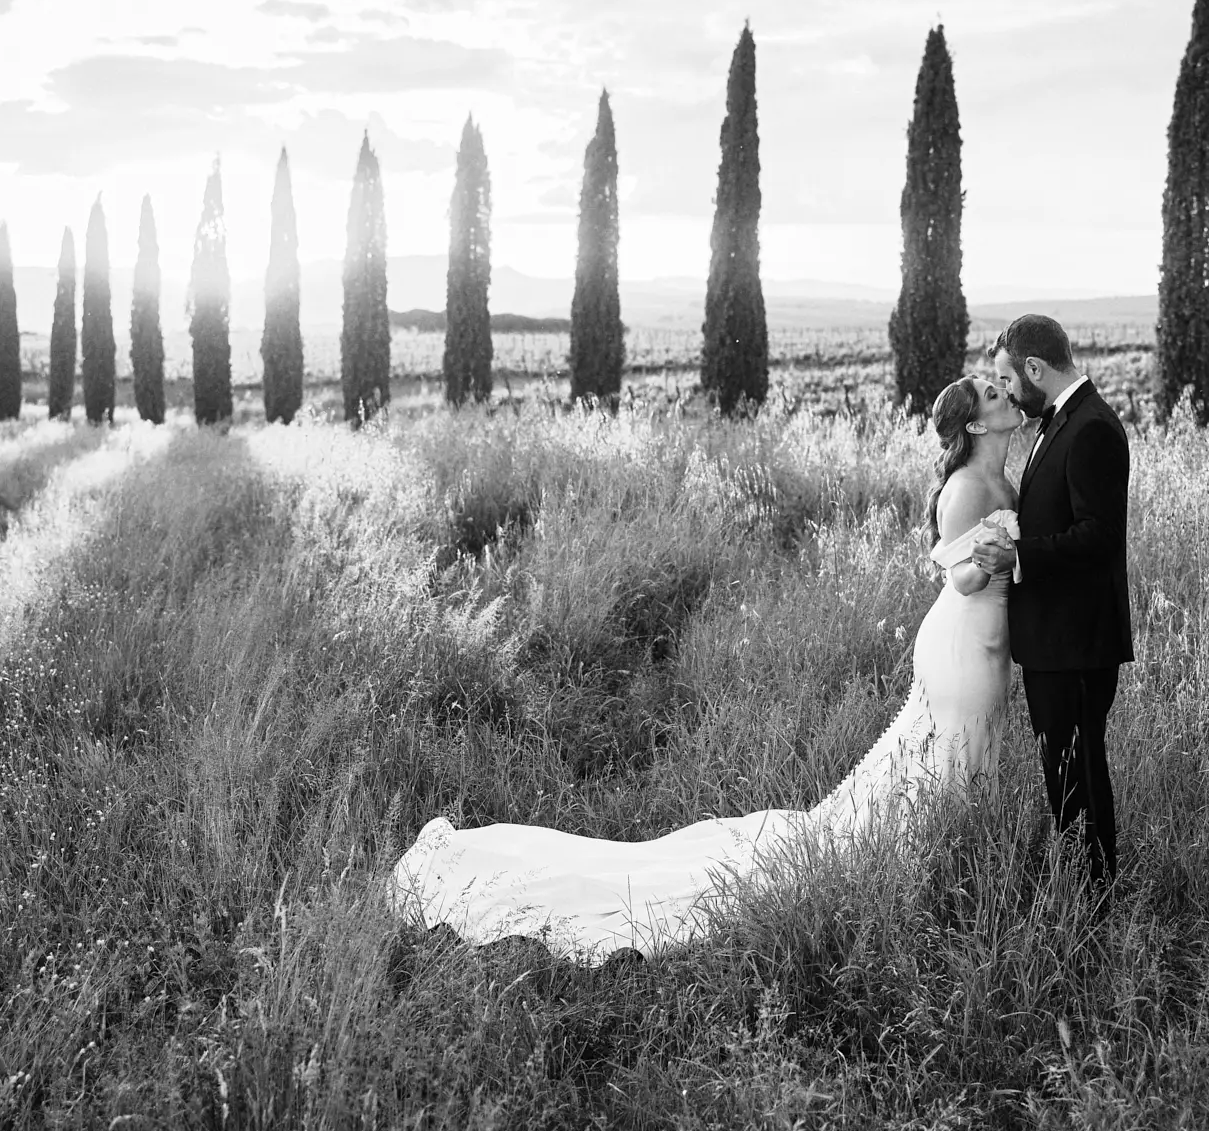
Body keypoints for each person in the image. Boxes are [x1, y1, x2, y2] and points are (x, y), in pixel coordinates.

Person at [385, 373, 1025, 965]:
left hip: (984, 643)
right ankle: (927, 880)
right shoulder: (968, 488)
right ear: (973, 427)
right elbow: (960, 574)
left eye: (1001, 388)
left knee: (957, 764)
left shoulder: (1003, 479)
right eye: (994, 394)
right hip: (961, 646)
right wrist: (992, 556)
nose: (1005, 394)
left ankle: (942, 868)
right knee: (948, 763)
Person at [971, 315, 1134, 888]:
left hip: (1078, 643)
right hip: (1057, 640)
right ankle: (1078, 881)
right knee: (1062, 772)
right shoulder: (1058, 420)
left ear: (1035, 369)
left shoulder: (1090, 427)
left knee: (1081, 772)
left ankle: (1096, 897)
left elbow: (1099, 536)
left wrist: (1019, 557)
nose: (1009, 391)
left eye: (1007, 378)